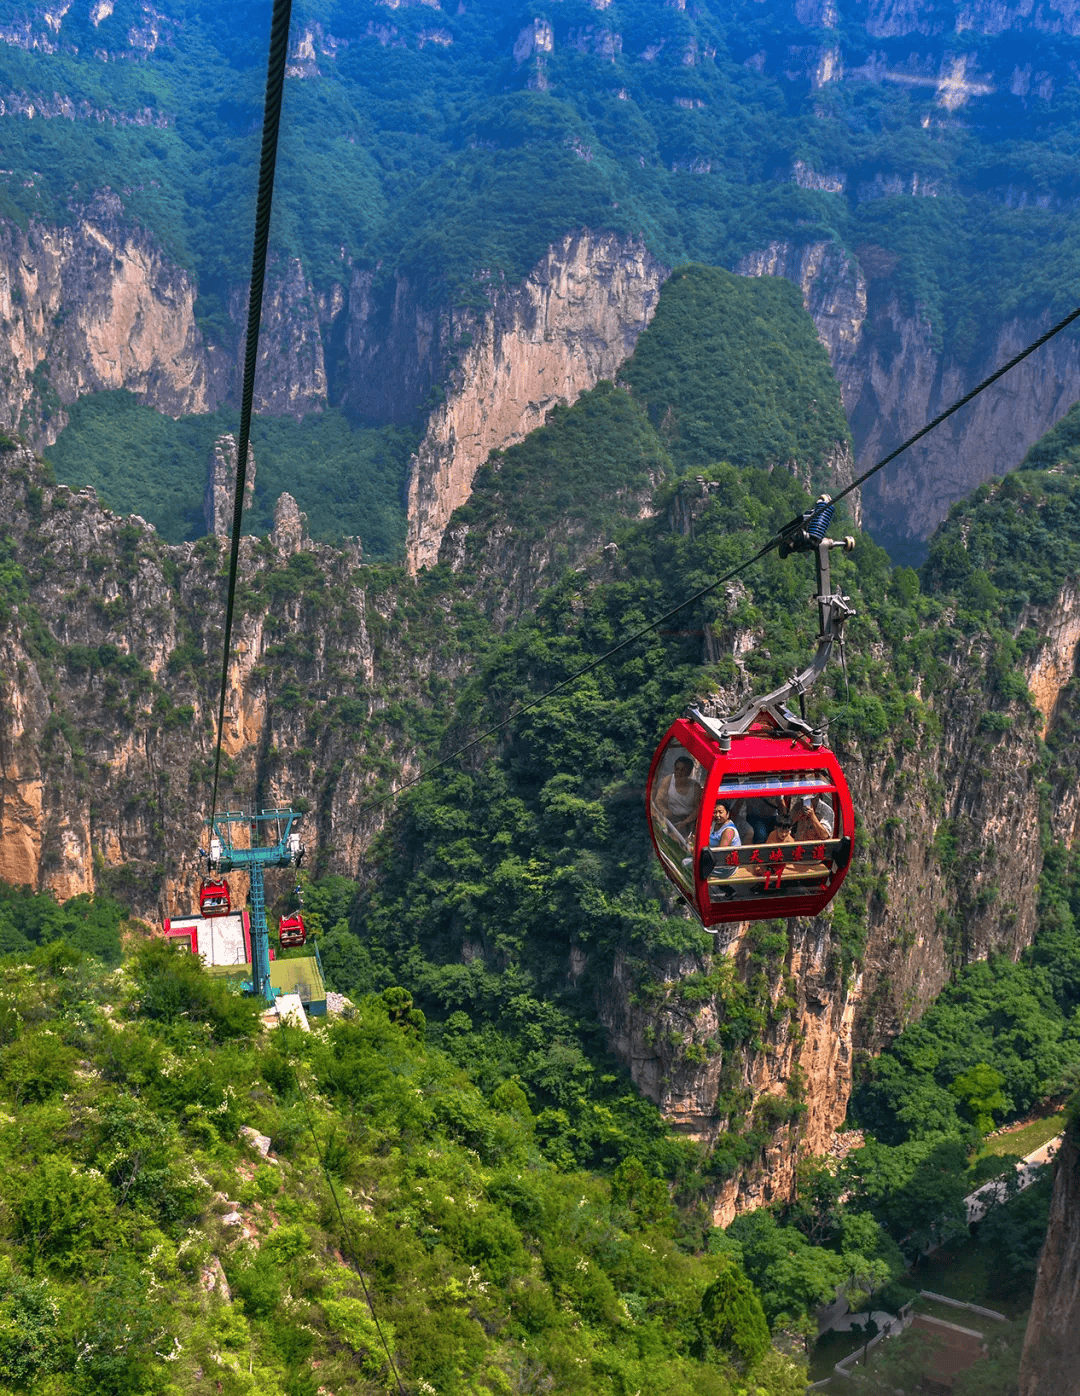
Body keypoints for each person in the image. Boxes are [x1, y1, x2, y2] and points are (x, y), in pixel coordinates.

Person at [659, 756, 703, 839]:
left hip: (689, 819)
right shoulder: (667, 781)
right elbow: (658, 799)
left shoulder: (695, 787)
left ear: (689, 772)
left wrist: (684, 822)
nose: (679, 772)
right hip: (671, 816)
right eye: (677, 769)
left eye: (683, 770)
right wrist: (663, 809)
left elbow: (697, 808)